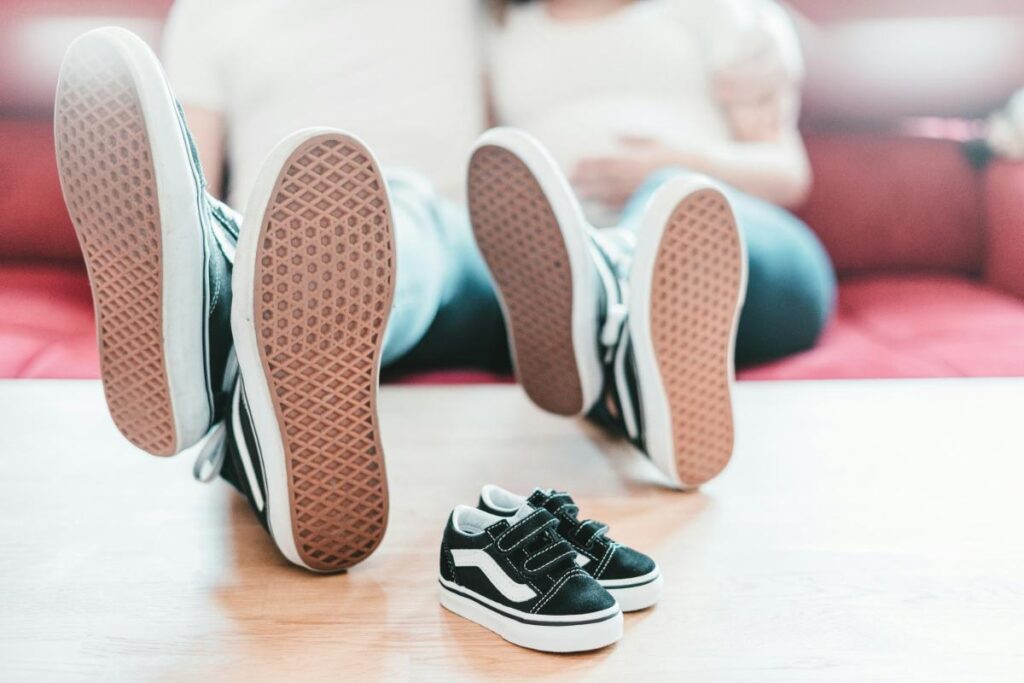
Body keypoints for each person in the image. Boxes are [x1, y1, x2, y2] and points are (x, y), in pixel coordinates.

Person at [52, 0, 825, 574]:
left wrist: (776, 35)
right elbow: (174, 181)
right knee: (393, 210)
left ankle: (233, 348)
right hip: (414, 254)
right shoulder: (220, 12)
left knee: (437, 210)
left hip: (549, 247)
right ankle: (234, 307)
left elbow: (737, 73)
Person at [485, 0, 836, 366]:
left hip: (729, 244)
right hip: (559, 259)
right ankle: (619, 338)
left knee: (671, 198)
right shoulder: (502, 30)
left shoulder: (712, 12)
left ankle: (611, 299)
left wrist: (677, 167)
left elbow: (787, 173)